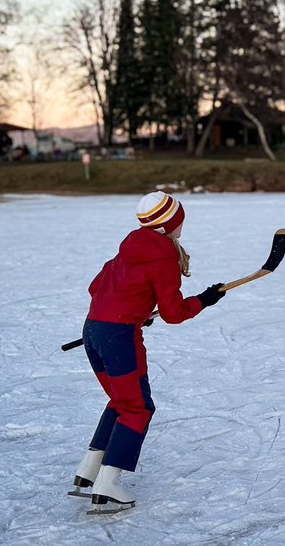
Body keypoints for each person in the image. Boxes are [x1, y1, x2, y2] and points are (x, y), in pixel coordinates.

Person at [70, 191, 226, 512]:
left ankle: (88, 470)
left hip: (94, 329)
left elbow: (96, 288)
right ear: (171, 223)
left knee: (121, 401)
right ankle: (108, 483)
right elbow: (173, 313)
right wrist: (205, 300)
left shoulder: (128, 247)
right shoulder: (164, 255)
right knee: (138, 408)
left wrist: (136, 310)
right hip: (119, 337)